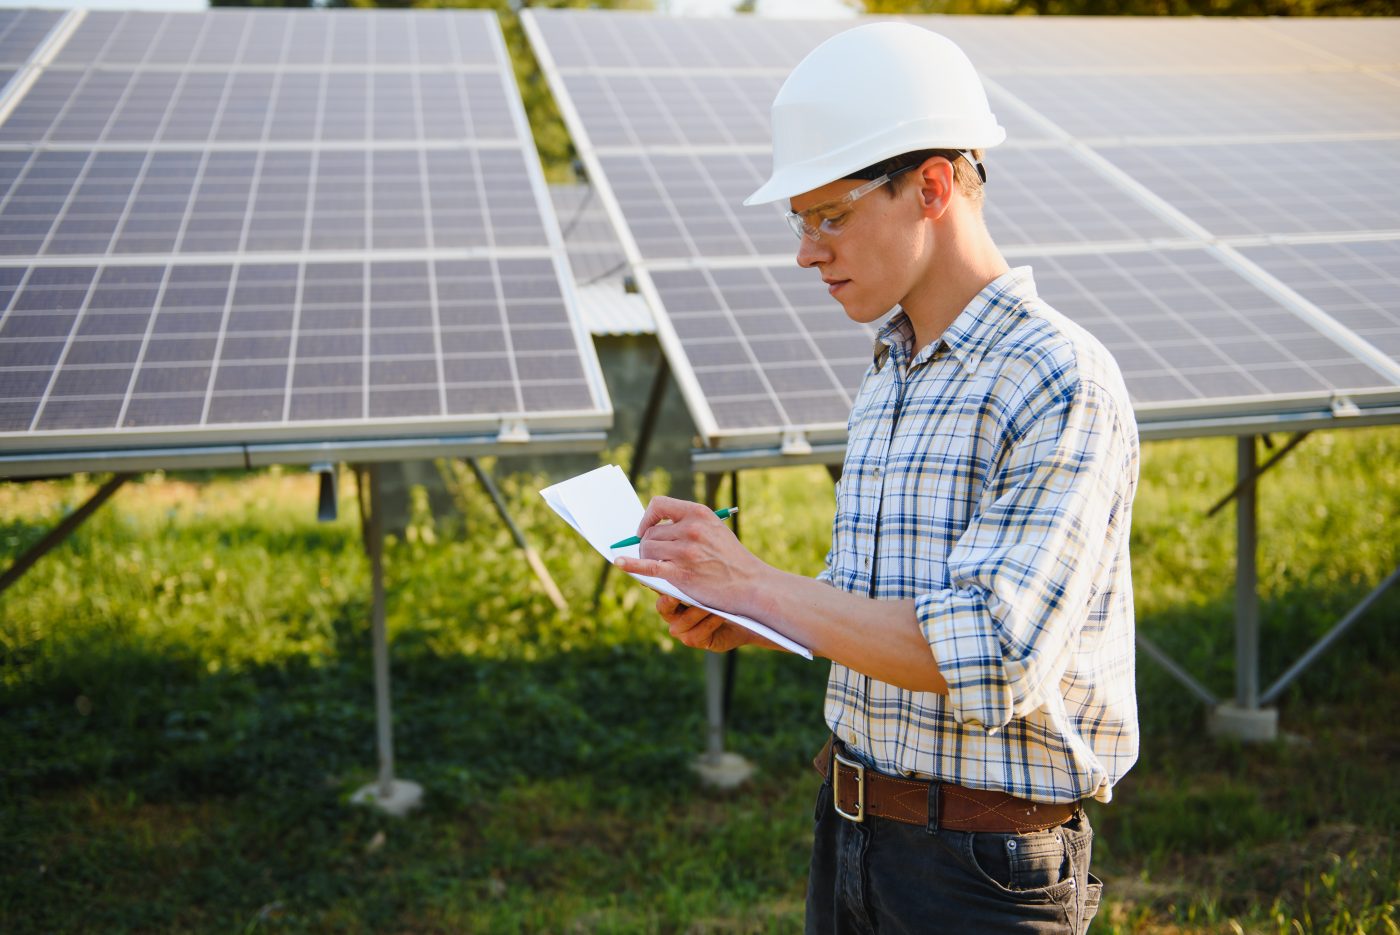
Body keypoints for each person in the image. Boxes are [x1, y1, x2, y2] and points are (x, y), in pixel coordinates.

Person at [613, 22, 1139, 935]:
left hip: (982, 875)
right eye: (800, 221)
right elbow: (877, 603)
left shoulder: (1057, 377)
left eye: (832, 215)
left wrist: (758, 583)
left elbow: (991, 650)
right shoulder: (892, 369)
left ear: (931, 187)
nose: (806, 251)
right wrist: (750, 611)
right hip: (850, 832)